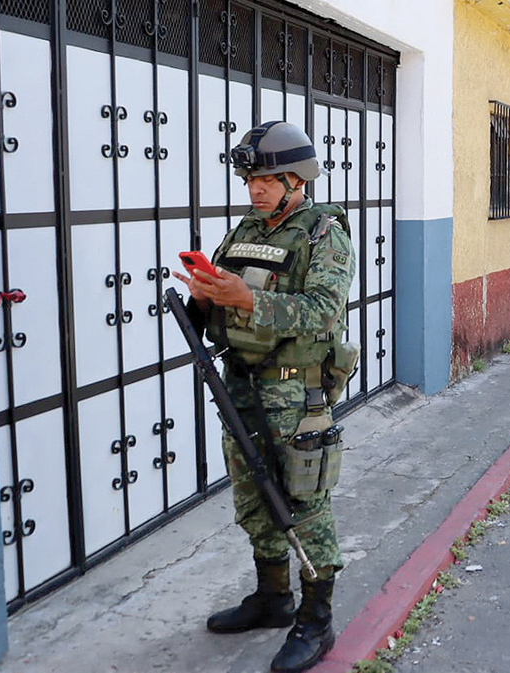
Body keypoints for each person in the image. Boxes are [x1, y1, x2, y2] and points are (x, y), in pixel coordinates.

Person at [175, 121, 356, 673]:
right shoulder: (247, 228)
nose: (255, 188)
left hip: (295, 392)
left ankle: (316, 620)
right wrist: (207, 298)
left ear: (297, 179)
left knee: (303, 505)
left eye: (268, 178)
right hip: (242, 384)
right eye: (251, 177)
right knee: (254, 498)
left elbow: (325, 308)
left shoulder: (323, 230)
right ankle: (273, 598)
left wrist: (247, 299)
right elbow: (232, 293)